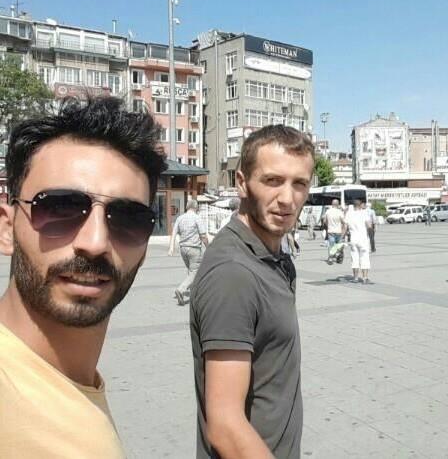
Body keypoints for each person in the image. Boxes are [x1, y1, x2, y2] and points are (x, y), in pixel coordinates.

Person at [0, 98, 167, 457]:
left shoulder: (73, 387)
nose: (95, 242)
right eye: (60, 207)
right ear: (7, 228)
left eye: (128, 218)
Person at [190, 125, 314, 459]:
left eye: (299, 183)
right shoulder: (233, 274)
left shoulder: (271, 256)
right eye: (273, 180)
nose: (287, 199)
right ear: (242, 183)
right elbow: (225, 427)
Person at [169, 199, 209, 306]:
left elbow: (174, 233)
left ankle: (193, 293)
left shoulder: (180, 218)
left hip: (183, 249)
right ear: (196, 207)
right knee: (195, 272)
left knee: (191, 271)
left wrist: (171, 248)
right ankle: (181, 289)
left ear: (187, 207)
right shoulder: (197, 218)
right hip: (194, 248)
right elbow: (203, 236)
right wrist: (208, 247)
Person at [345, 200, 373, 284]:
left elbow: (345, 227)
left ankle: (355, 277)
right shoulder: (364, 213)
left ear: (353, 205)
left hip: (353, 239)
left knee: (354, 258)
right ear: (360, 205)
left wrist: (341, 237)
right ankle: (365, 278)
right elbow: (369, 226)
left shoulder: (349, 214)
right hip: (363, 239)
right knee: (364, 257)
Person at [324, 199, 345, 264]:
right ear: (338, 204)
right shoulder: (340, 212)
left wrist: (328, 225)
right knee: (339, 246)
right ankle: (339, 258)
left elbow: (325, 221)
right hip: (339, 231)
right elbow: (343, 222)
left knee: (331, 245)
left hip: (331, 231)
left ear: (332, 204)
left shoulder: (328, 211)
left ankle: (330, 259)